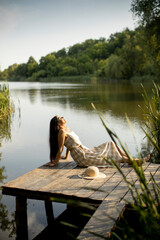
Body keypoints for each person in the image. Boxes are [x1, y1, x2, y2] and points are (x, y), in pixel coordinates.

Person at [48, 116, 150, 167]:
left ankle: (130, 159)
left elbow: (69, 145)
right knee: (111, 157)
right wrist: (55, 163)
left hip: (84, 151)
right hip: (82, 157)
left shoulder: (66, 130)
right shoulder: (61, 131)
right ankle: (135, 161)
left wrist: (66, 157)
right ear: (57, 123)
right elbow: (61, 147)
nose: (62, 117)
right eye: (60, 118)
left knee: (111, 144)